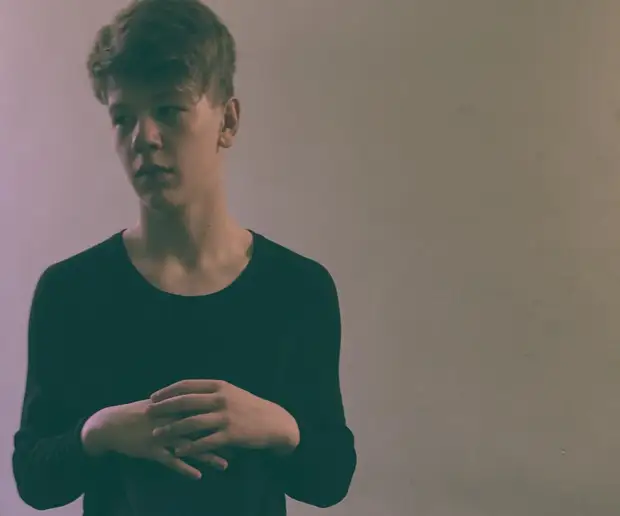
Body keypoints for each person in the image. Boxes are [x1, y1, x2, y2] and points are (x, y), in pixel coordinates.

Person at [11, 0, 357, 514]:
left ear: (227, 121)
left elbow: (329, 480)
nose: (143, 138)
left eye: (169, 110)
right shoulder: (71, 291)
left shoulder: (297, 289)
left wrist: (277, 427)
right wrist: (99, 432)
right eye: (123, 117)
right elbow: (35, 481)